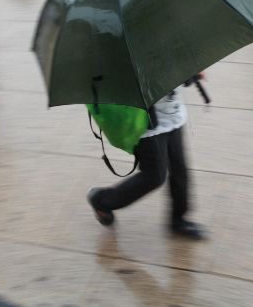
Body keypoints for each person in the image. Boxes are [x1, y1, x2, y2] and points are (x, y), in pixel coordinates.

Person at [87, 78, 206, 240]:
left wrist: (191, 73)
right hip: (147, 124)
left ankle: (178, 220)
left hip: (174, 116)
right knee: (154, 176)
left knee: (180, 171)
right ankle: (102, 200)